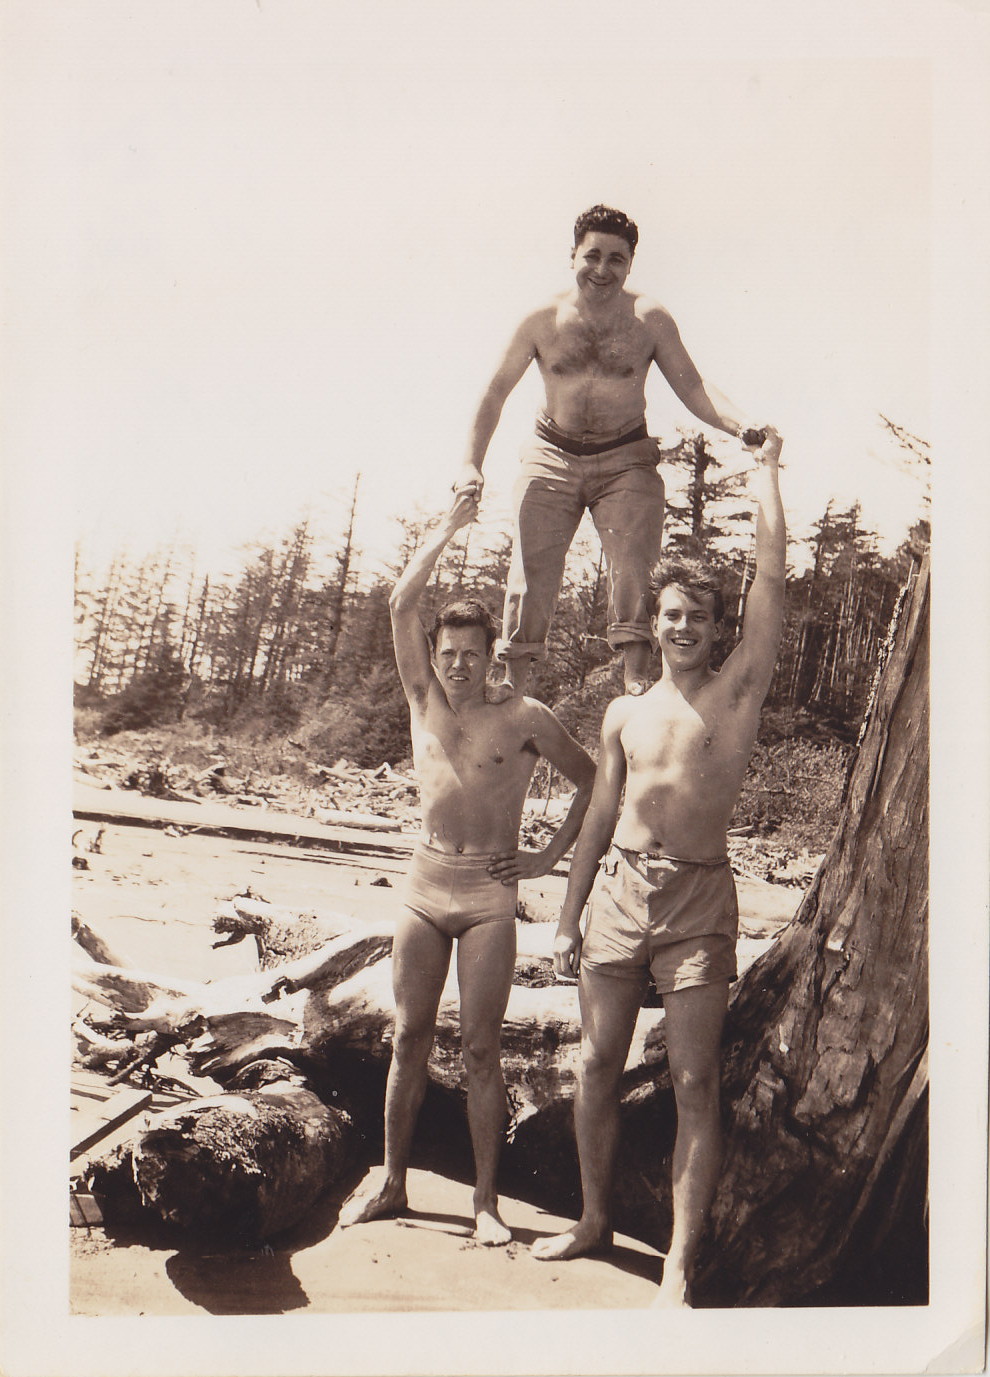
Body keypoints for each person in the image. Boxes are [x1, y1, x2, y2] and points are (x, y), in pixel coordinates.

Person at [530, 428, 786, 1305]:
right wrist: (566, 916)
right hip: (618, 895)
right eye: (669, 613)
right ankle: (594, 1217)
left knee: (693, 1079)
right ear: (655, 620)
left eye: (697, 616)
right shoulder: (623, 712)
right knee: (596, 1063)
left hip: (699, 897)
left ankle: (676, 1264)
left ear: (718, 629)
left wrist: (767, 477)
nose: (681, 626)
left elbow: (773, 584)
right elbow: (600, 817)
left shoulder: (735, 691)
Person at [338, 490, 596, 1245]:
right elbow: (397, 603)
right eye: (445, 652)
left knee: (483, 1047)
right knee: (408, 1035)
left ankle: (486, 1202)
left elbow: (592, 779)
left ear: (491, 658)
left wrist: (550, 854)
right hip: (423, 884)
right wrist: (449, 523)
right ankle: (392, 1180)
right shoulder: (423, 699)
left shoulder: (524, 718)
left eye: (468, 654)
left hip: (489, 893)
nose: (453, 664)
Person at [453, 203, 768, 698]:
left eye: (616, 260)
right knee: (530, 569)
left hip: (625, 457)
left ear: (630, 264)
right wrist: (470, 462)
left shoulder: (649, 319)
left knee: (635, 565)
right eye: (592, 256)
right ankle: (513, 678)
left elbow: (693, 385)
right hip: (551, 451)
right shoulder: (540, 319)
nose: (602, 270)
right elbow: (494, 392)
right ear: (572, 255)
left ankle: (637, 677)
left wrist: (742, 424)